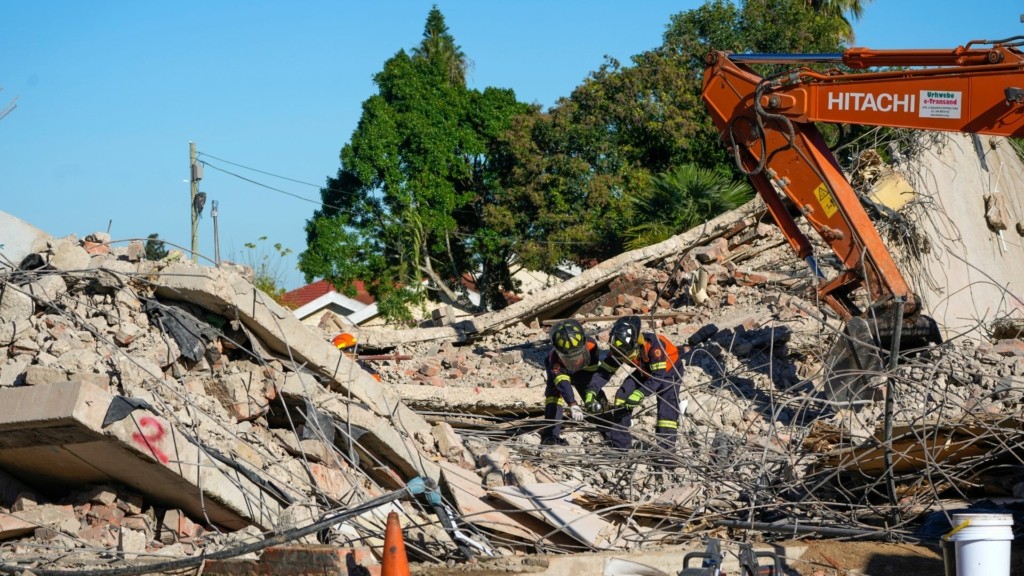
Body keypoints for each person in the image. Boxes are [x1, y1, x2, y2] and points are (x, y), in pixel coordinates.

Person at [599, 316, 682, 453]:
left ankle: (666, 453)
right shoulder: (620, 347)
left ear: (637, 342)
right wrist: (591, 389)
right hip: (645, 370)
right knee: (622, 396)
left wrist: (640, 393)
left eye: (629, 356)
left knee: (667, 411)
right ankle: (621, 446)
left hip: (669, 372)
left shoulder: (655, 346)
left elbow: (657, 377)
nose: (626, 359)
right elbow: (604, 371)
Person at [540, 319, 610, 446]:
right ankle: (550, 436)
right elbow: (562, 382)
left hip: (584, 371)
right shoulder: (554, 358)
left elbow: (591, 377)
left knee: (595, 397)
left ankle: (610, 433)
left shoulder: (592, 346)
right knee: (554, 396)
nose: (575, 360)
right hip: (562, 370)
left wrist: (590, 396)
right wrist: (572, 403)